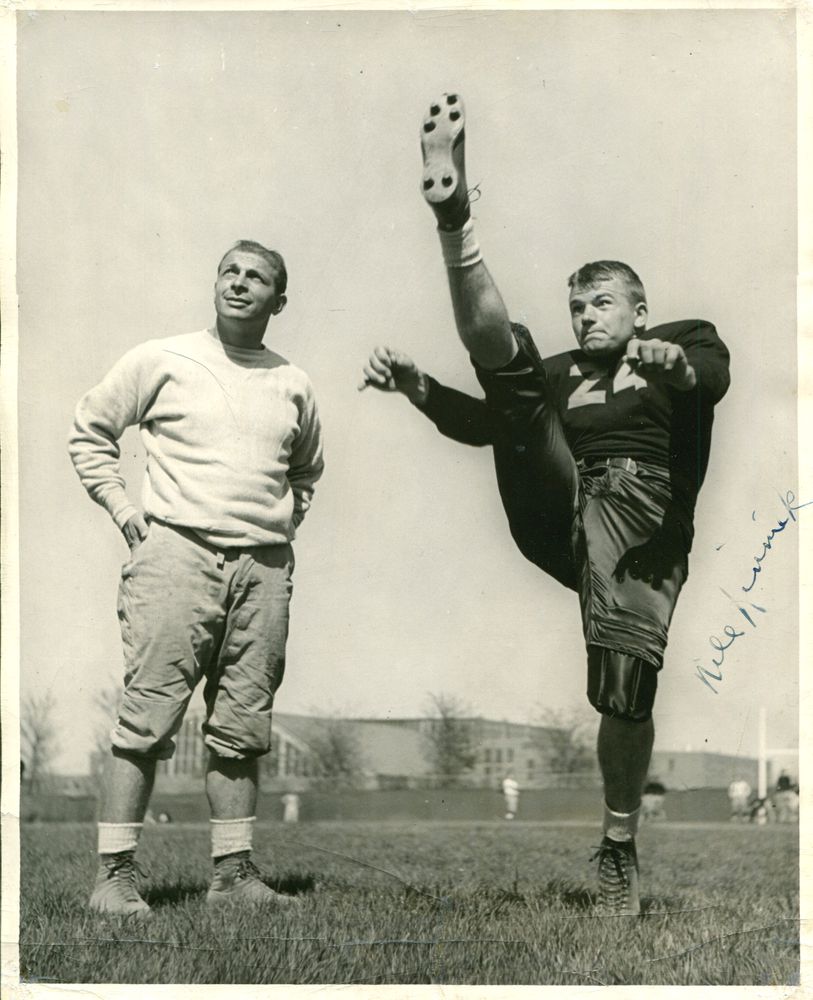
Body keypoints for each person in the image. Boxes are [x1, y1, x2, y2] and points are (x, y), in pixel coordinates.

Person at [361, 95, 730, 915]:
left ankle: (618, 845)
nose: (584, 317)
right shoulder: (562, 371)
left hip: (641, 521)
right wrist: (420, 389)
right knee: (514, 375)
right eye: (577, 307)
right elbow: (492, 426)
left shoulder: (682, 338)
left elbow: (707, 379)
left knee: (624, 692)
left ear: (638, 309)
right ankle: (455, 222)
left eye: (600, 304)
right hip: (562, 507)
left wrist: (671, 366)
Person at [69, 240, 324, 917]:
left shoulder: (292, 382)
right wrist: (126, 512)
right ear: (215, 284)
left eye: (256, 277)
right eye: (229, 271)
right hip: (176, 555)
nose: (239, 283)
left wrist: (279, 529)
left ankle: (233, 878)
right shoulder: (163, 358)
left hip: (263, 568)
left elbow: (305, 472)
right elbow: (90, 432)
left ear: (278, 300)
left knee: (242, 725)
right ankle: (114, 879)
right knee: (146, 719)